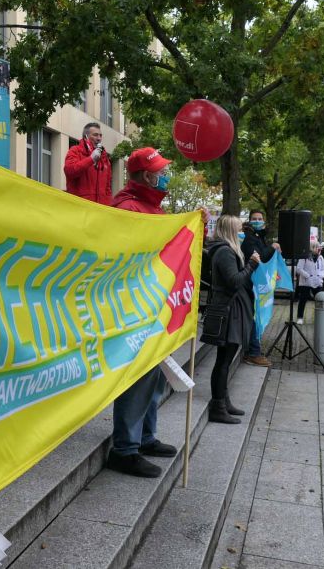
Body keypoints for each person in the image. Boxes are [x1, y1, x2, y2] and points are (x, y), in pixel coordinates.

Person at [106, 147, 178, 478]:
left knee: (154, 374)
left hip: (154, 304)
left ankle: (145, 437)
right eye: (160, 171)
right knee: (137, 378)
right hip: (135, 307)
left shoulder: (151, 208)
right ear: (147, 176)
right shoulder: (127, 208)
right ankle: (125, 448)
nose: (165, 176)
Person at [206, 215, 261, 424]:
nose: (243, 232)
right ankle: (218, 405)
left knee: (225, 360)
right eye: (239, 228)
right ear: (230, 230)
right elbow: (234, 281)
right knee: (223, 360)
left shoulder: (227, 250)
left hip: (231, 308)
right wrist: (252, 265)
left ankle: (223, 401)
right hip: (228, 310)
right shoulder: (225, 252)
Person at [240, 211, 281, 366]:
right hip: (250, 284)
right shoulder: (249, 239)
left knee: (255, 317)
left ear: (263, 221)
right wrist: (272, 247)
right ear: (249, 221)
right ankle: (253, 352)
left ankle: (253, 350)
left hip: (256, 284)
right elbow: (260, 257)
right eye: (254, 219)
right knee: (254, 317)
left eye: (259, 219)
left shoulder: (258, 237)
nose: (257, 221)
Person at [63, 122, 113, 205]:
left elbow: (107, 188)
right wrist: (91, 159)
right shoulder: (75, 151)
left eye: (100, 135)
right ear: (86, 136)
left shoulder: (104, 158)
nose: (99, 138)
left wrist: (108, 207)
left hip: (100, 210)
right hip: (80, 207)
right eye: (95, 135)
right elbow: (69, 171)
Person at [295, 242, 324, 324]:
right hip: (306, 282)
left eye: (319, 247)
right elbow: (298, 269)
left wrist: (321, 275)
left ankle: (320, 318)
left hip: (317, 281)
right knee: (303, 300)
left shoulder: (321, 257)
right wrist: (307, 275)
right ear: (312, 248)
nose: (318, 249)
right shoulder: (304, 257)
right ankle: (300, 317)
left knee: (319, 300)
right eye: (316, 247)